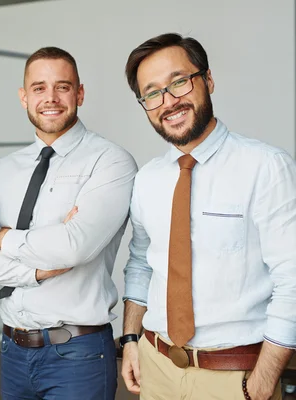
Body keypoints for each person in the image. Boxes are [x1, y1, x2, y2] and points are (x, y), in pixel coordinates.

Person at [120, 33, 296, 400]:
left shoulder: (265, 166)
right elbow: (140, 264)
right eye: (152, 93)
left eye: (179, 82)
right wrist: (132, 339)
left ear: (208, 80)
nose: (168, 101)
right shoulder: (147, 179)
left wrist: (262, 381)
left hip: (234, 376)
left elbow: (292, 280)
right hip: (157, 368)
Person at [0, 46, 137, 400]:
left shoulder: (110, 161)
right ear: (24, 97)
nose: (51, 98)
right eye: (39, 88)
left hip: (78, 352)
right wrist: (38, 270)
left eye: (62, 86)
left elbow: (74, 246)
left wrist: (2, 237)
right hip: (12, 349)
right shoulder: (4, 170)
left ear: (80, 93)